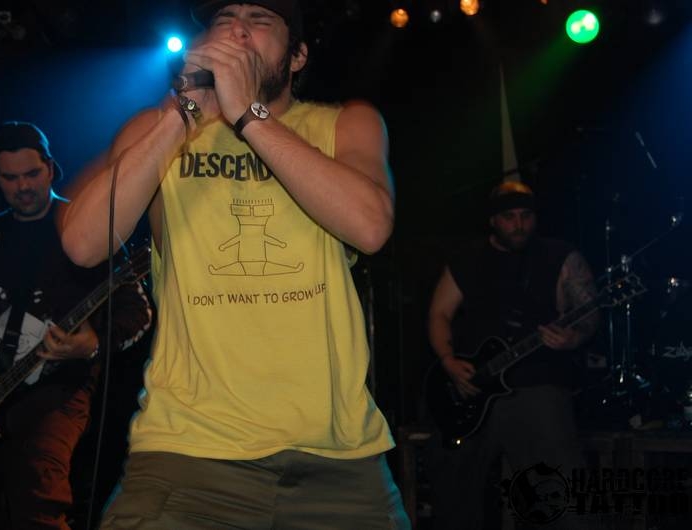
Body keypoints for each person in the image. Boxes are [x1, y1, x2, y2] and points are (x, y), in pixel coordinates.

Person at [58, 0, 410, 528]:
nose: (238, 31)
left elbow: (370, 225)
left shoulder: (344, 124)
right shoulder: (161, 127)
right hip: (188, 452)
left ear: (297, 56)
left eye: (260, 20)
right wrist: (182, 114)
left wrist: (249, 114)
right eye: (224, 20)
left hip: (336, 459)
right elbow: (83, 243)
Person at [0, 121, 152, 530]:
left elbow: (138, 312)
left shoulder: (83, 228)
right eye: (9, 178)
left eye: (32, 173)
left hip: (58, 393)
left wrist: (92, 343)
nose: (22, 186)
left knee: (37, 492)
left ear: (51, 168)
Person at [425, 181, 599, 529]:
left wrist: (573, 337)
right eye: (509, 217)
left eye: (526, 216)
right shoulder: (467, 259)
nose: (519, 225)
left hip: (538, 387)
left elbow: (590, 312)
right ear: (493, 220)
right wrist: (448, 361)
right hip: (472, 390)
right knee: (454, 498)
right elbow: (438, 314)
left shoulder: (559, 256)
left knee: (559, 497)